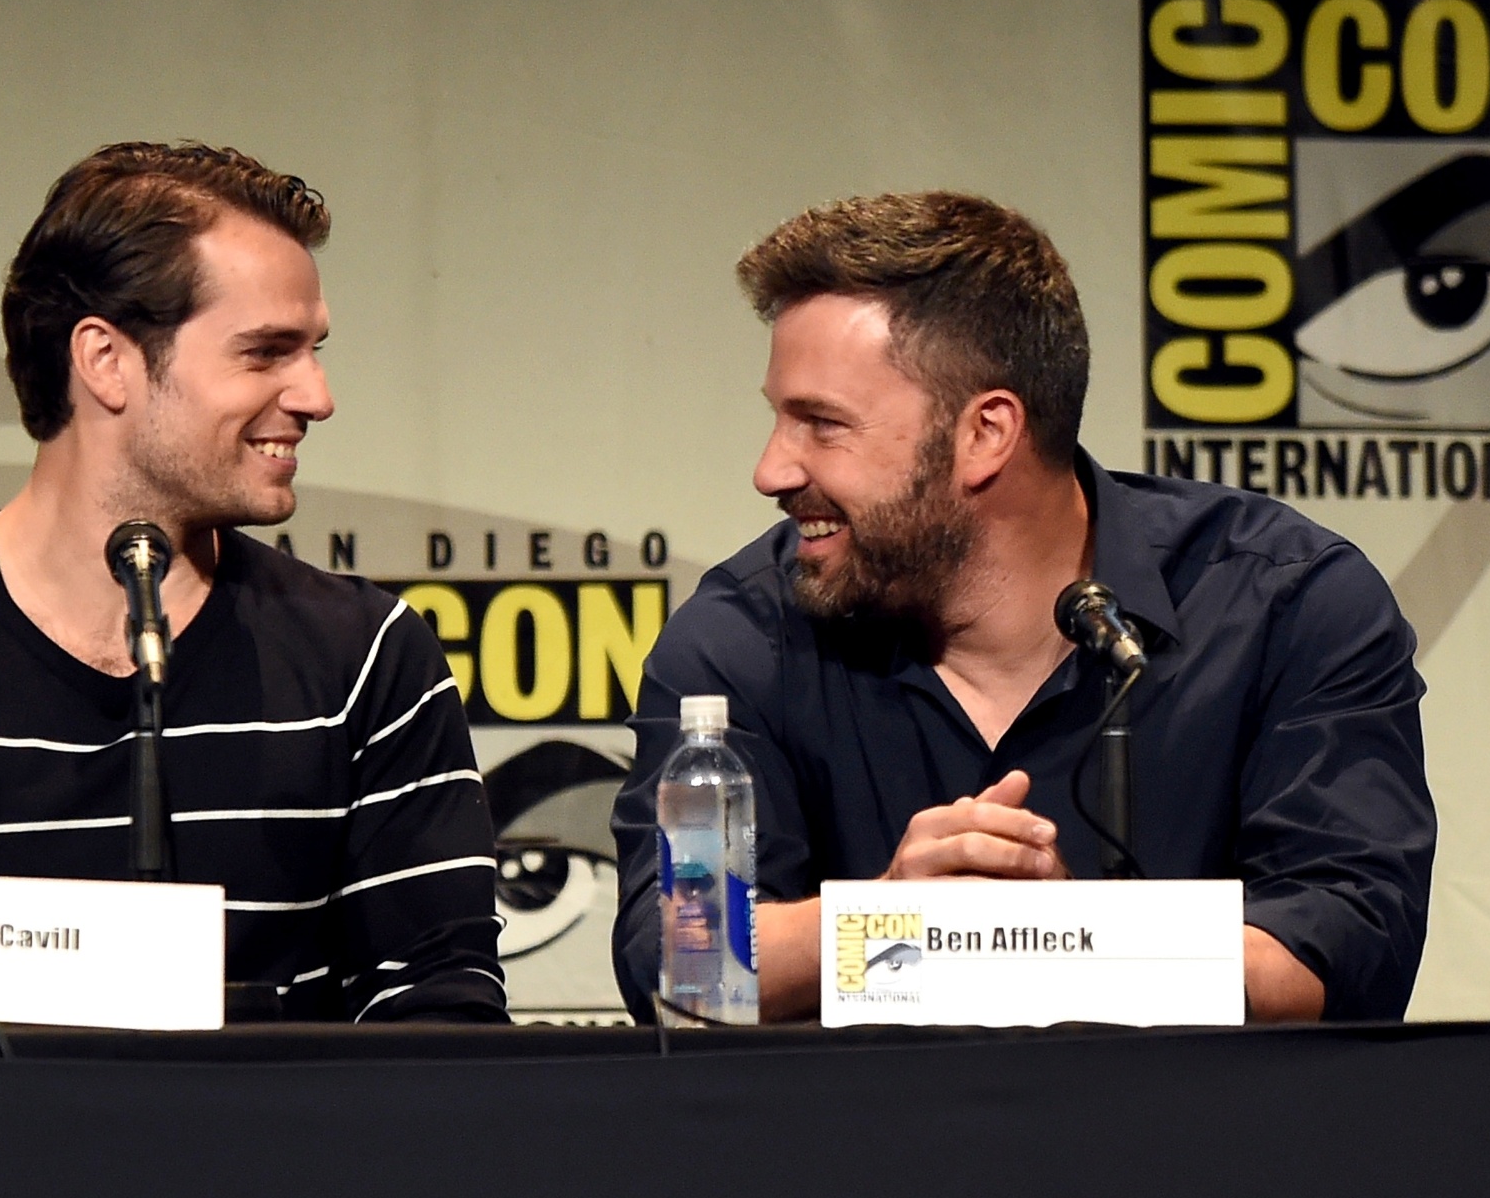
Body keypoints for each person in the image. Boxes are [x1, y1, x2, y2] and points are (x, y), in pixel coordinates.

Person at [0, 143, 506, 1030]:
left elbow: (441, 1022)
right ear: (106, 360)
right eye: (267, 352)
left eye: (314, 350)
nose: (317, 394)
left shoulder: (367, 664)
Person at [611, 191, 1435, 1024]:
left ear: (986, 433)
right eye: (779, 418)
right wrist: (887, 921)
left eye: (821, 425)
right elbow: (669, 956)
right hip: (860, 1148)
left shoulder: (1288, 605)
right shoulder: (741, 634)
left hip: (1194, 1147)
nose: (771, 469)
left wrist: (1053, 945)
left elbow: (1352, 946)